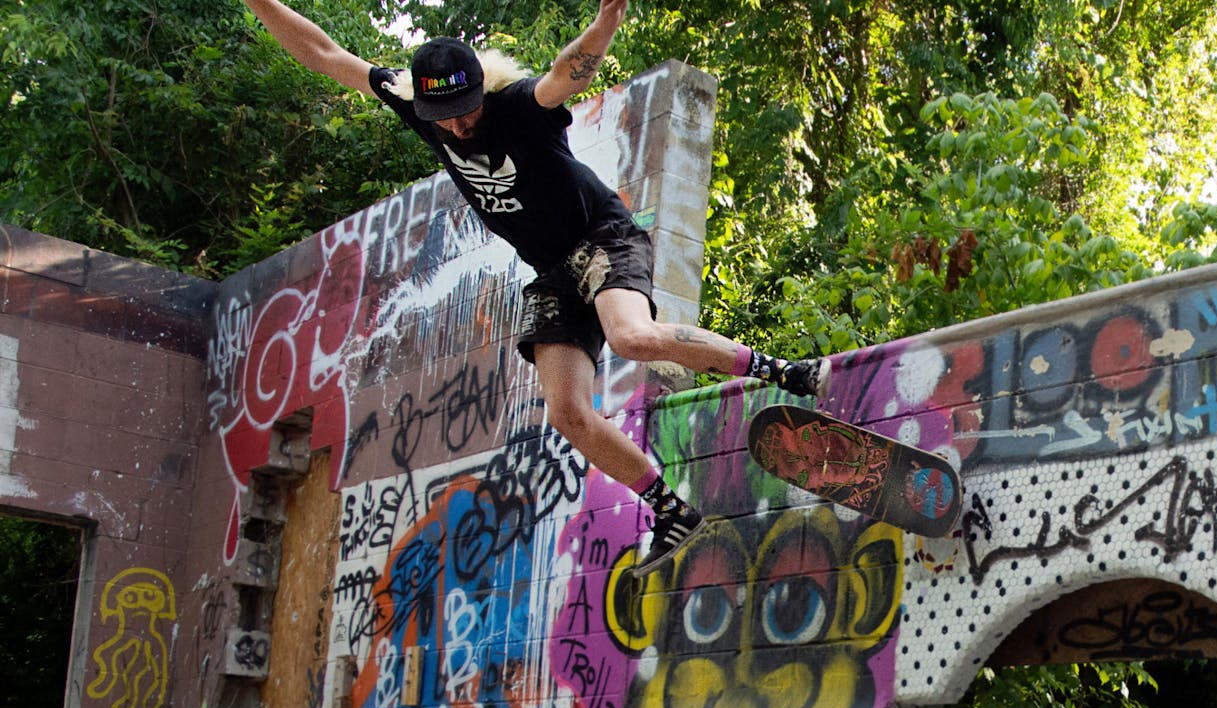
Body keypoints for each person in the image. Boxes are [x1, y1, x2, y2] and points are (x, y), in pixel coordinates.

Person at [243, 0, 829, 571]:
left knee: (629, 337)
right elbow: (323, 52)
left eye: (467, 111)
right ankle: (670, 510)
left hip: (602, 238)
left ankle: (782, 372)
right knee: (567, 412)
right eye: (443, 118)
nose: (456, 126)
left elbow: (562, 74)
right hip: (551, 268)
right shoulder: (412, 100)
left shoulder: (520, 107)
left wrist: (607, 21)